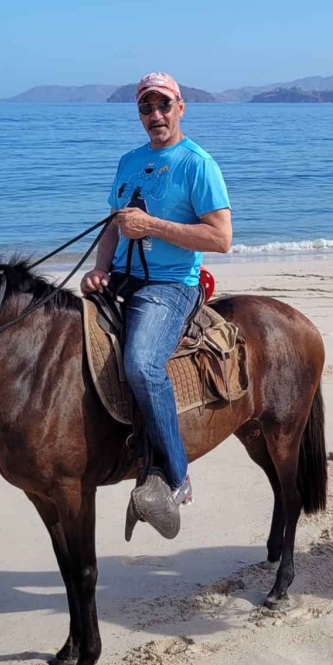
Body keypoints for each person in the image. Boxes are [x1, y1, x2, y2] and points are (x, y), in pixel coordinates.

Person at [81, 73, 232, 538]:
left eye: (163, 106)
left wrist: (153, 226)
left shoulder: (197, 164)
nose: (155, 116)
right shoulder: (129, 161)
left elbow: (221, 238)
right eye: (146, 108)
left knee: (144, 365)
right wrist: (100, 268)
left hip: (171, 284)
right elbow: (113, 225)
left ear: (181, 107)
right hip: (122, 280)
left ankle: (176, 474)